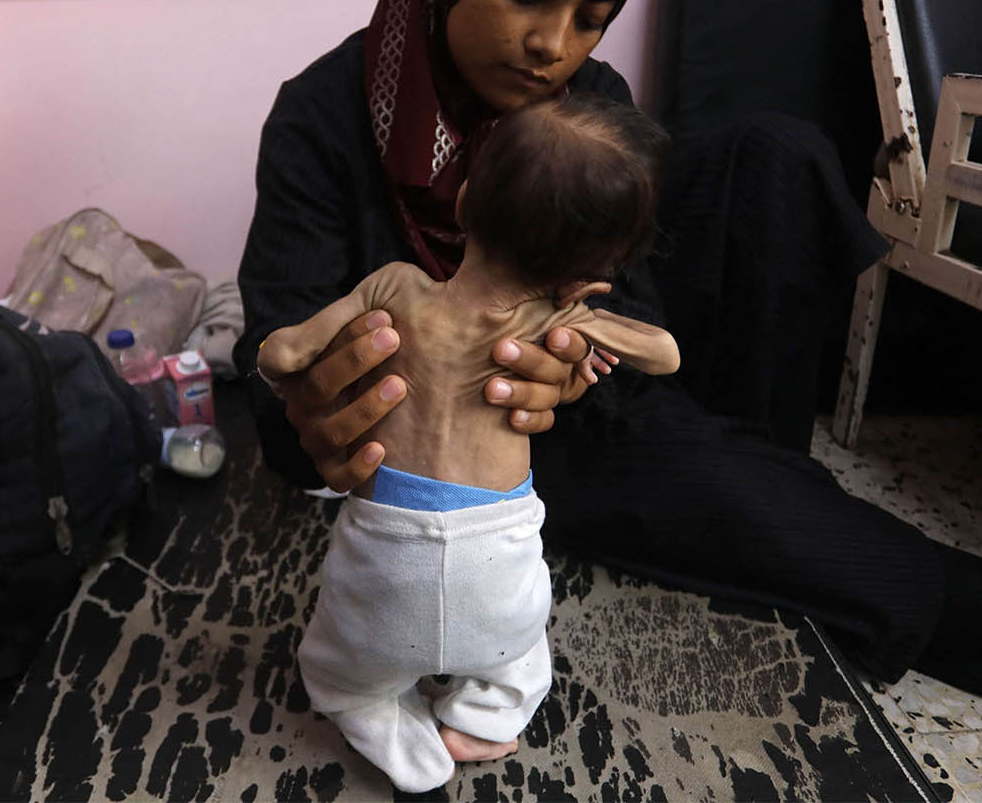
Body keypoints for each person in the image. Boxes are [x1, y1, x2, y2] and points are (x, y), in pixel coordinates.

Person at [236, 0, 982, 728]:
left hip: (590, 412)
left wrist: (571, 366)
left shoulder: (586, 103)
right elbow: (274, 366)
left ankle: (758, 480)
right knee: (740, 499)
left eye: (593, 19)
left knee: (777, 154)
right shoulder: (324, 116)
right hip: (453, 468)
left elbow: (624, 305)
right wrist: (323, 408)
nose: (553, 44)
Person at [260, 94, 679, 792]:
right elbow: (663, 354)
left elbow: (285, 354)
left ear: (461, 203)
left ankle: (368, 706)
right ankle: (484, 715)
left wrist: (280, 358)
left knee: (344, 663)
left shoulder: (394, 286)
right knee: (520, 650)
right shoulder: (558, 319)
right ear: (585, 271)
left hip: (382, 560)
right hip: (499, 561)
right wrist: (587, 319)